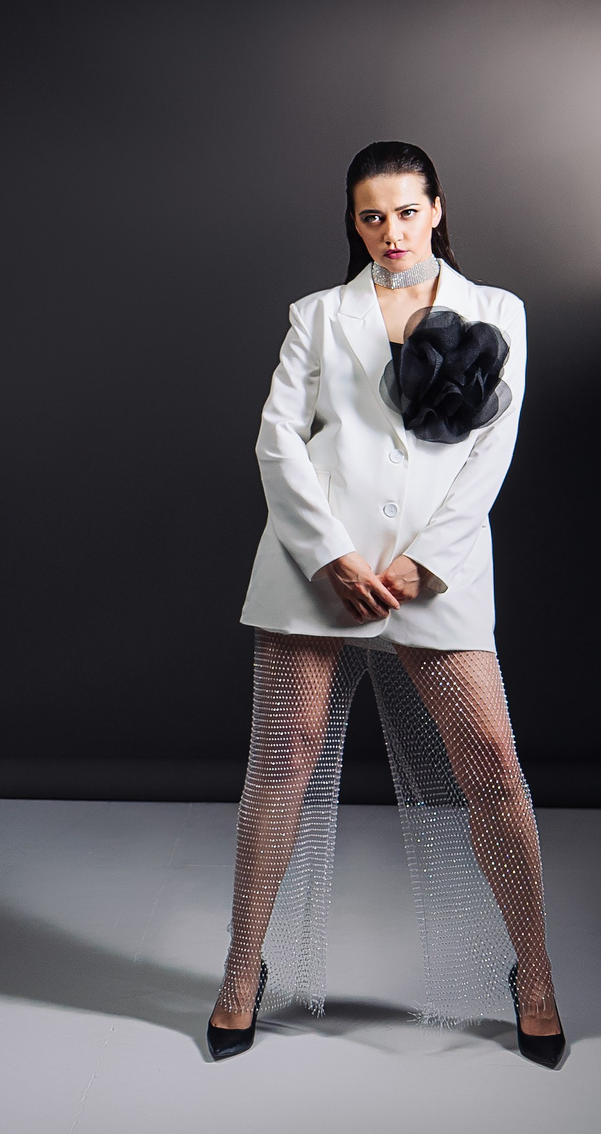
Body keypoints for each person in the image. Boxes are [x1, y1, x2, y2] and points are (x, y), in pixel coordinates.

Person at [208, 140, 565, 1066]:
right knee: (281, 761)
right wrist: (330, 555)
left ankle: (535, 974)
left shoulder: (498, 312)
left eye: (407, 212)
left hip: (437, 571)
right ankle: (242, 970)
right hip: (315, 567)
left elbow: (491, 453)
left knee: (493, 766)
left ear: (437, 209)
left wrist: (424, 564)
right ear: (354, 222)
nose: (391, 232)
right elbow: (278, 439)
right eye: (372, 216)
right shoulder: (318, 315)